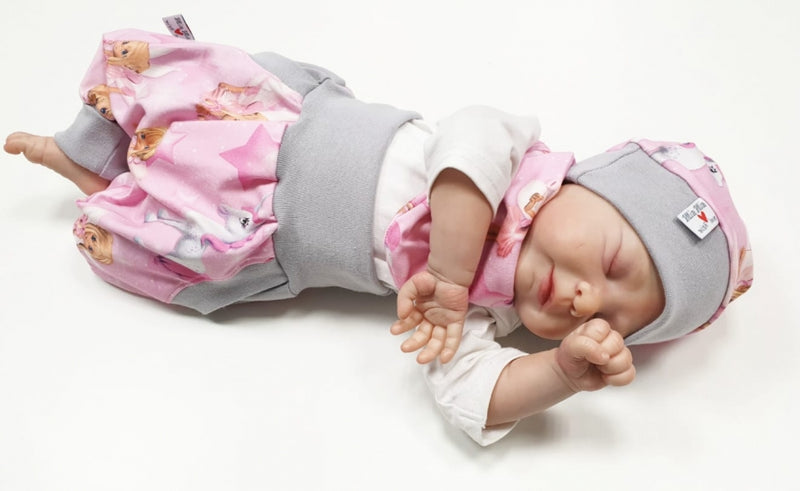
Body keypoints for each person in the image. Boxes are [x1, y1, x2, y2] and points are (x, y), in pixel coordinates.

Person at [4, 28, 753, 446]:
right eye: (614, 262)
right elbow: (462, 150)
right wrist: (450, 273)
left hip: (266, 231)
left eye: (611, 319)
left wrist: (558, 371)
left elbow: (470, 396)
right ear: (586, 183)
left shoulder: (484, 314)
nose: (589, 299)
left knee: (166, 220)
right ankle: (88, 135)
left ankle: (87, 176)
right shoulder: (512, 153)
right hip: (277, 122)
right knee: (168, 100)